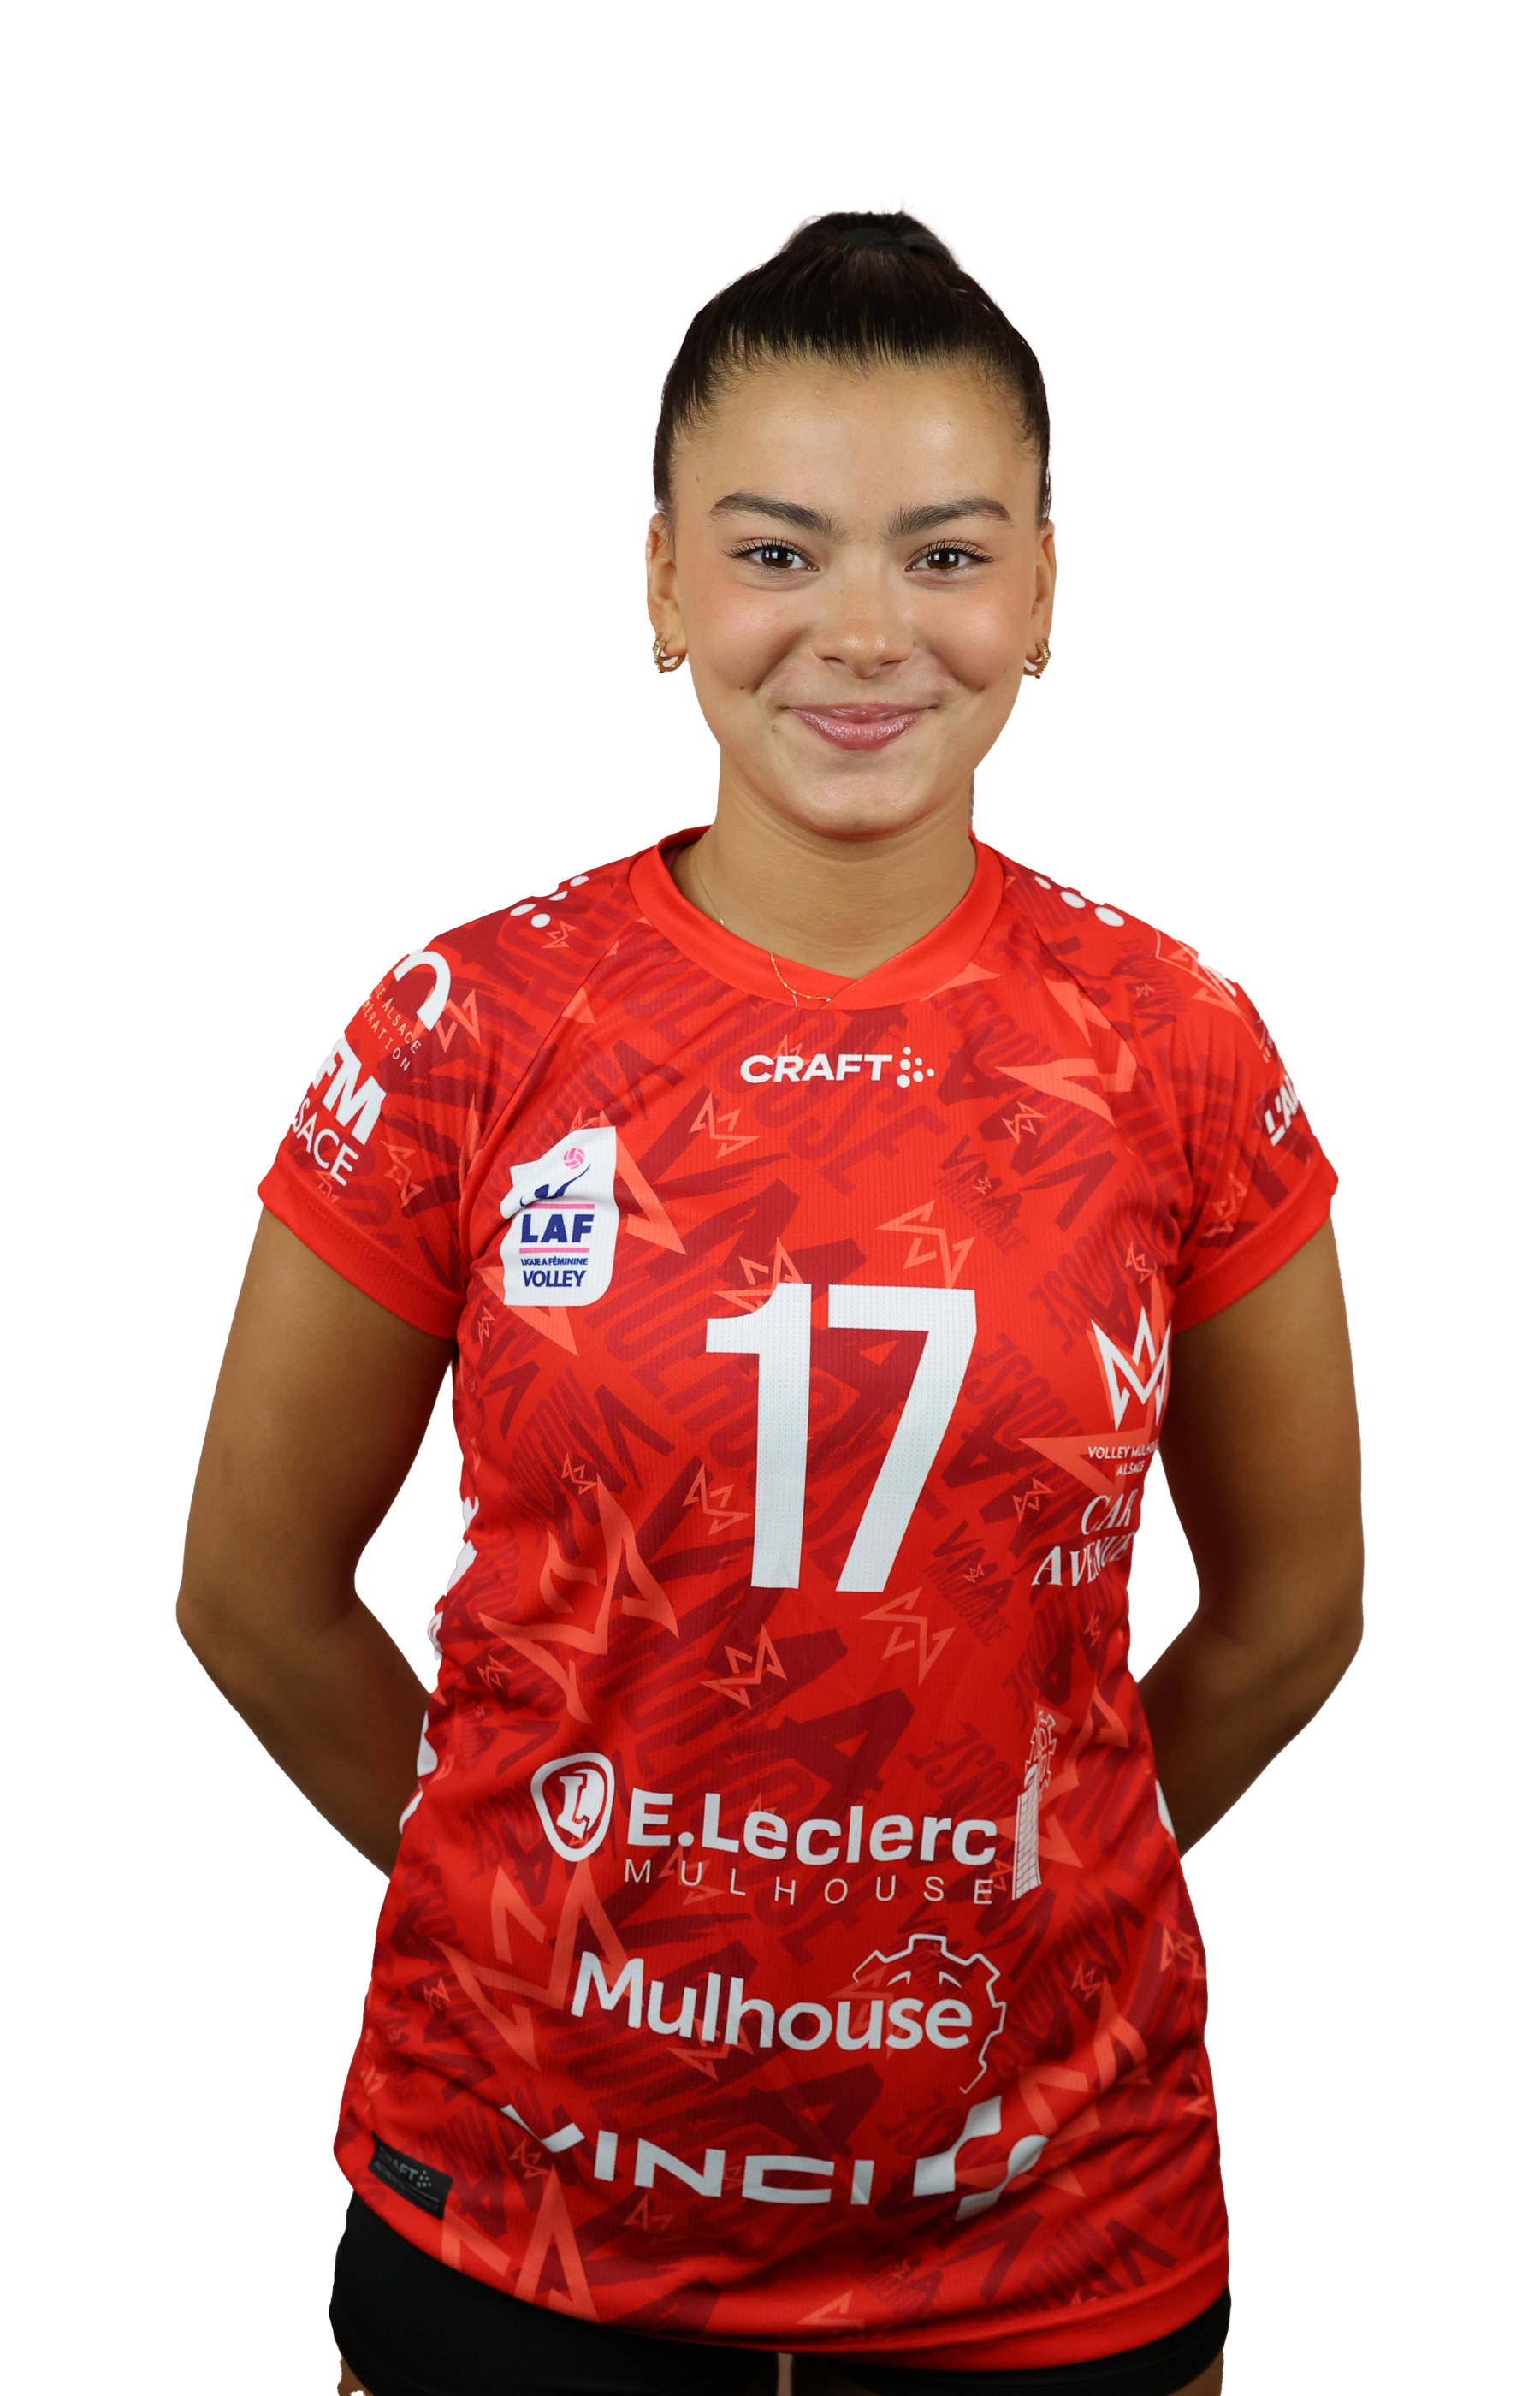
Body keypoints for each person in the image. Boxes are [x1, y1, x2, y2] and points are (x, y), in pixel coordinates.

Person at [179, 211, 1362, 2396]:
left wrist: (1021, 1890)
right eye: (775, 550)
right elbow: (250, 1590)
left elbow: (1296, 1610)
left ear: (1043, 595)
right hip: (520, 2217)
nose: (864, 630)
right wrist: (533, 1905)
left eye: (946, 552)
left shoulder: (1176, 1044)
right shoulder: (467, 1026)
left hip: (1056, 2240)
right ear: (662, 587)